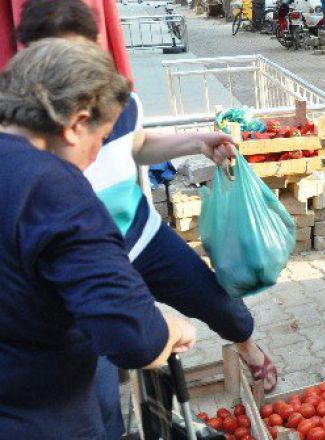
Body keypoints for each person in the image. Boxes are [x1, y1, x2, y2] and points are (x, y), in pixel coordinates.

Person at [17, 0, 276, 436]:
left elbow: (136, 144)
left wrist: (196, 141)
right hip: (80, 267)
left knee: (217, 302)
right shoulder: (26, 134)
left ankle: (250, 350)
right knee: (97, 393)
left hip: (141, 235)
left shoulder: (118, 96)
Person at [0, 38, 198, 439]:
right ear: (76, 125)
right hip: (38, 419)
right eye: (101, 139)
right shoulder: (56, 191)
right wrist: (172, 327)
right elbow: (134, 338)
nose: (96, 156)